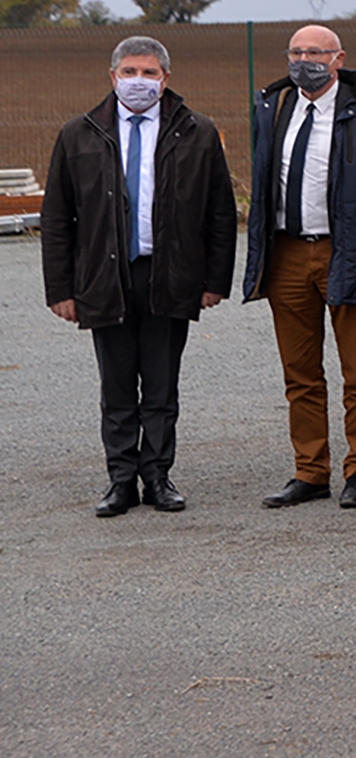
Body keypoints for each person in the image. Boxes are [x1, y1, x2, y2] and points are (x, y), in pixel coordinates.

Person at [41, 35, 237, 516]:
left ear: (166, 79)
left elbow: (220, 214)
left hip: (168, 275)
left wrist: (215, 280)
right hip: (106, 277)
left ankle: (158, 476)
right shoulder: (78, 134)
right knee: (116, 385)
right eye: (129, 72)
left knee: (162, 384)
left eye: (149, 73)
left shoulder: (197, 132)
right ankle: (121, 480)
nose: (138, 81)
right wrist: (61, 290)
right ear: (112, 77)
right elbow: (56, 217)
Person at [242, 24, 356, 510]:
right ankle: (310, 471)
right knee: (300, 373)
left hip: (349, 251)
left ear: (338, 58)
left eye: (316, 52)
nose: (305, 60)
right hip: (288, 254)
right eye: (296, 52)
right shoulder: (272, 107)